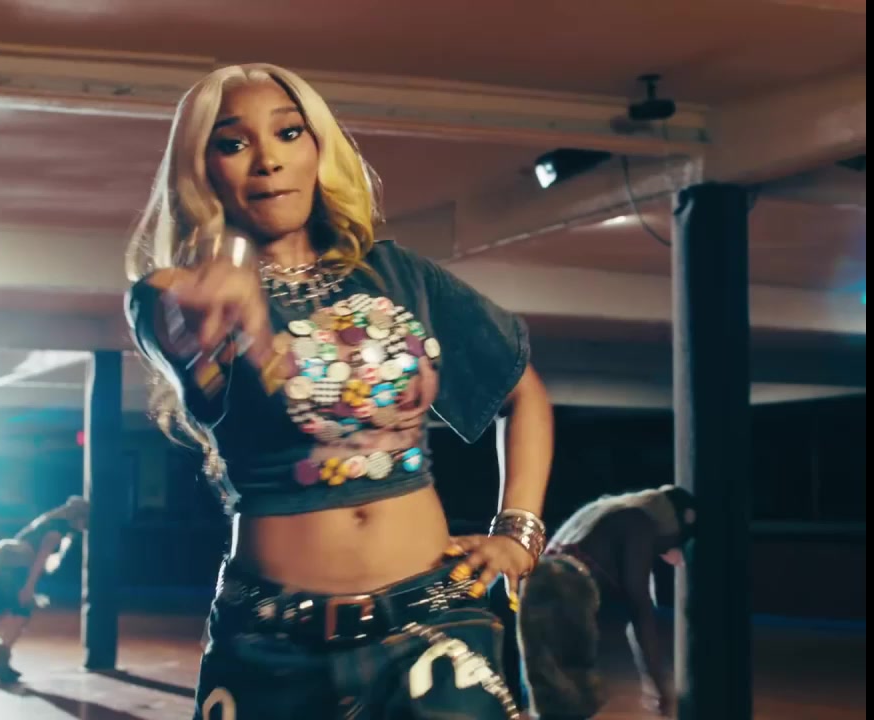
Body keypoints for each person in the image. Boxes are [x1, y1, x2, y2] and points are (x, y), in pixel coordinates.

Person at [123, 63, 555, 719]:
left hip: (433, 621)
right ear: (201, 169)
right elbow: (185, 340)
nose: (268, 160)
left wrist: (518, 534)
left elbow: (523, 394)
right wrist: (218, 306)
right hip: (271, 645)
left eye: (289, 132)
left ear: (319, 148)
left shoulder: (397, 275)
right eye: (233, 143)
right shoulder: (174, 295)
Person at [516, 485, 695, 718]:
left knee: (551, 694)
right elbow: (639, 606)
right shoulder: (639, 522)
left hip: (536, 588)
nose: (667, 550)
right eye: (674, 542)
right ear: (671, 525)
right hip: (568, 593)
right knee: (572, 694)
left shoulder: (601, 515)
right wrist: (659, 684)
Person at [0, 496, 89, 682]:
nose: (85, 528)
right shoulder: (56, 532)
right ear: (79, 517)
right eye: (86, 522)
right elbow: (39, 561)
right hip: (14, 562)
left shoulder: (48, 521)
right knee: (22, 612)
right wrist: (29, 588)